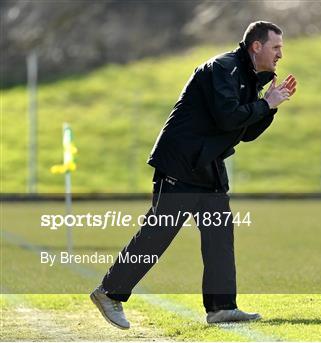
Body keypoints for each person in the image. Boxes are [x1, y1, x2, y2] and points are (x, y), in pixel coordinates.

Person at [90, 21, 297, 329]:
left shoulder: (250, 78)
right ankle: (109, 293)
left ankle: (221, 308)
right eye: (276, 47)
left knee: (219, 234)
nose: (281, 54)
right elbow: (228, 118)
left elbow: (246, 132)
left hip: (208, 164)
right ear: (257, 46)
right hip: (180, 161)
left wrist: (270, 106)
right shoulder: (223, 68)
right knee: (159, 232)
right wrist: (264, 103)